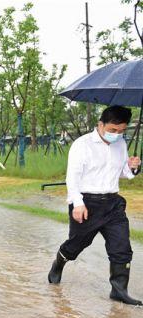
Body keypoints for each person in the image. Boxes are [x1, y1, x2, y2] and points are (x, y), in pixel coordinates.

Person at [48, 105, 141, 305]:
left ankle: (119, 291)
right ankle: (59, 262)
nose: (117, 134)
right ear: (100, 124)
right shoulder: (82, 145)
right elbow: (72, 177)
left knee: (121, 247)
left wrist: (133, 167)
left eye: (122, 131)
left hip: (113, 204)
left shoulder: (120, 144)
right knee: (76, 245)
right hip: (87, 203)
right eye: (113, 130)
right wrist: (78, 203)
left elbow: (124, 174)